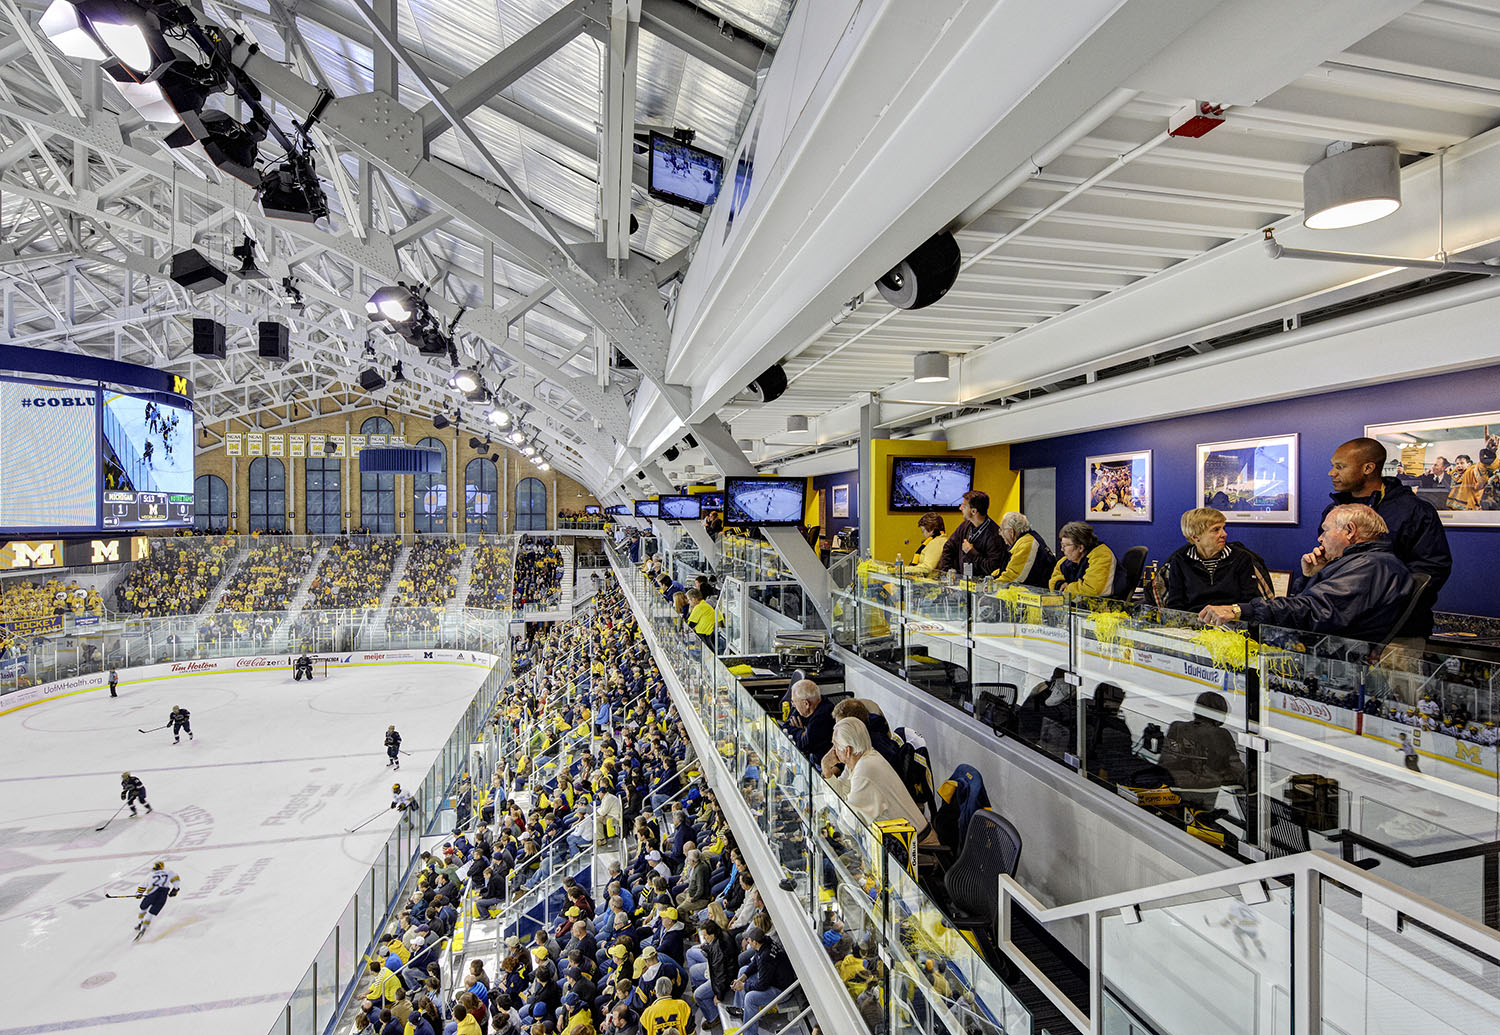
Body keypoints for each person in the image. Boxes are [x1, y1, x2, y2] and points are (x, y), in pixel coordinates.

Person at [1200, 504, 1414, 644]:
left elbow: (1315, 611)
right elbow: (1310, 605)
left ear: (1349, 531)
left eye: (1326, 530)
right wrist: (1312, 575)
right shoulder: (1364, 562)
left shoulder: (1371, 566)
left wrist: (1239, 610)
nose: (1321, 539)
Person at [1319, 437, 1450, 636]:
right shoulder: (1334, 511)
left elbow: (1430, 571)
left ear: (1368, 468)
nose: (1332, 473)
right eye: (1333, 466)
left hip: (1397, 634)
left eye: (1340, 466)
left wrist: (1382, 613)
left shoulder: (1414, 511)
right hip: (1342, 630)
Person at [821, 717, 939, 848]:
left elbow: (847, 825)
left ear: (848, 750)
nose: (833, 752)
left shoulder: (865, 770)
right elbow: (841, 795)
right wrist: (826, 769)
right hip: (900, 844)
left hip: (919, 849)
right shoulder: (862, 758)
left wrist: (835, 813)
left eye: (835, 746)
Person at [1160, 507, 1273, 611]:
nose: (1224, 534)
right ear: (1195, 537)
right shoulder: (1179, 560)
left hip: (1232, 623)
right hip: (1192, 625)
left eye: (1223, 528)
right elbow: (1175, 606)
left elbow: (1251, 604)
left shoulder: (1241, 558)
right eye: (1216, 530)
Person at [1157, 691, 1247, 812]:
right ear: (1219, 715)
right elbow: (1237, 773)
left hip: (1165, 799)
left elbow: (1165, 762)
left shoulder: (1176, 727)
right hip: (1199, 806)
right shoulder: (1221, 735)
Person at [938, 490, 1007, 577]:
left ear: (974, 511)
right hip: (963, 583)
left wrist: (971, 552)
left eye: (964, 506)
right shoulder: (965, 525)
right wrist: (945, 574)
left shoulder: (995, 535)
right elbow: (948, 547)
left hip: (981, 587)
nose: (960, 508)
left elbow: (992, 568)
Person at [1048, 521, 1117, 598]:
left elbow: (1092, 590)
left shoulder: (1102, 556)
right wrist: (1059, 584)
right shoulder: (1066, 560)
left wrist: (1066, 590)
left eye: (1065, 545)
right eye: (1061, 545)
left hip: (1105, 607)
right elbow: (1054, 580)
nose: (1062, 549)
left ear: (1080, 548)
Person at [994, 512, 1055, 587]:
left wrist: (992, 585)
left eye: (1002, 530)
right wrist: (993, 576)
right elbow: (1009, 568)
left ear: (1011, 532)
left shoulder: (1027, 543)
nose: (1000, 533)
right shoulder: (1023, 541)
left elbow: (1014, 576)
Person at [783, 679, 834, 764]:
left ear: (806, 704)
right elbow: (786, 727)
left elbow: (804, 746)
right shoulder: (809, 707)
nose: (794, 706)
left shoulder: (823, 716)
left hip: (820, 764)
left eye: (794, 702)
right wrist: (802, 733)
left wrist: (800, 732)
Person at [133, 859, 179, 940]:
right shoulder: (168, 872)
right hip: (163, 894)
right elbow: (176, 879)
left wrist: (138, 894)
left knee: (143, 908)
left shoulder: (151, 875)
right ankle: (144, 927)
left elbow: (143, 886)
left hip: (152, 894)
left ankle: (140, 923)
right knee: (151, 912)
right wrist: (175, 889)